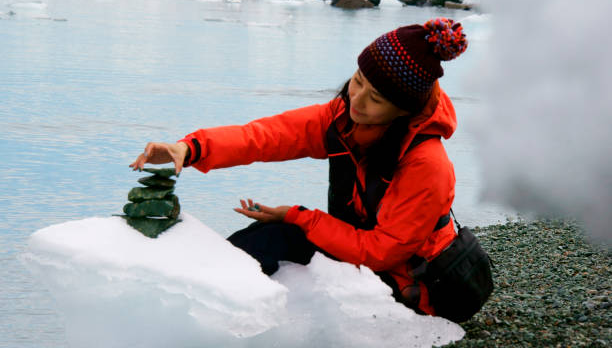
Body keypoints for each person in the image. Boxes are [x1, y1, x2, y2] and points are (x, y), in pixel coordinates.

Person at [130, 17, 468, 316]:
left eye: (376, 98)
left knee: (279, 236)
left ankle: (207, 309)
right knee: (260, 237)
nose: (358, 100)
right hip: (365, 251)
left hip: (411, 286)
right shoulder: (341, 118)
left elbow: (380, 253)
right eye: (358, 80)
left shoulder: (427, 165)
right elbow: (264, 137)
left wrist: (298, 216)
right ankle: (193, 295)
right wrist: (190, 149)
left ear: (403, 111)